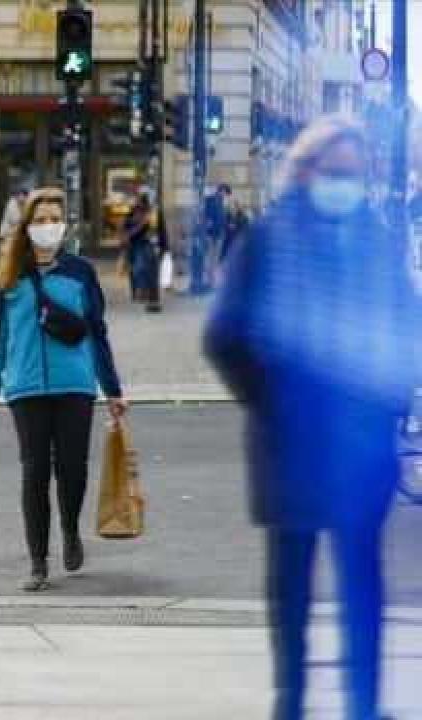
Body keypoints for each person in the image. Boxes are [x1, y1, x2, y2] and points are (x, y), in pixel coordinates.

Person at [205, 115, 422, 720]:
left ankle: (363, 705)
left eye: (354, 173)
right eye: (335, 172)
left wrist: (392, 399)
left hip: (360, 448)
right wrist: (271, 400)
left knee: (362, 584)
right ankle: (291, 705)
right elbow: (225, 335)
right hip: (291, 444)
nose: (345, 184)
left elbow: (409, 323)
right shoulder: (269, 240)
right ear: (306, 172)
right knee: (292, 591)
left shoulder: (376, 239)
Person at [0, 187, 128, 592]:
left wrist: (112, 389)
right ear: (26, 226)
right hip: (25, 387)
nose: (48, 227)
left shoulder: (80, 272)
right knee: (34, 471)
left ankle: (71, 531)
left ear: (64, 224)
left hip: (74, 384)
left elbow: (96, 332)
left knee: (72, 469)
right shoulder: (8, 277)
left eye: (54, 219)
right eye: (39, 220)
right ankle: (38, 561)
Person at [123, 191, 168, 312]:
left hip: (151, 247)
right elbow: (127, 230)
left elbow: (162, 231)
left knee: (151, 273)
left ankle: (153, 300)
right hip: (137, 245)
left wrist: (165, 247)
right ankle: (139, 292)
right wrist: (142, 223)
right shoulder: (134, 212)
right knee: (137, 270)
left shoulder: (155, 213)